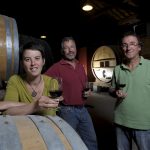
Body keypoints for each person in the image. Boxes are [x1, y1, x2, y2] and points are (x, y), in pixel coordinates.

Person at [45, 36, 98, 150]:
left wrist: (88, 92)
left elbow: (84, 85)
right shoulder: (57, 67)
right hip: (67, 111)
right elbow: (42, 82)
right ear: (62, 51)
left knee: (91, 141)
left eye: (72, 47)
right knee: (69, 142)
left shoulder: (80, 66)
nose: (70, 50)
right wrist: (53, 97)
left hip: (83, 110)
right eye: (66, 48)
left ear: (76, 48)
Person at [109, 31, 150, 150]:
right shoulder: (117, 69)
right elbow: (111, 89)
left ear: (139, 47)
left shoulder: (149, 66)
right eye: (125, 45)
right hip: (120, 121)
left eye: (132, 44)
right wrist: (115, 92)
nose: (128, 48)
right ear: (122, 48)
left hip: (143, 123)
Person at [3, 41, 60, 115]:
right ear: (22, 63)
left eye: (37, 58)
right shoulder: (15, 80)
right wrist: (35, 106)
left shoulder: (52, 82)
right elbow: (7, 112)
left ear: (43, 61)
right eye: (27, 59)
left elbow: (52, 113)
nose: (33, 63)